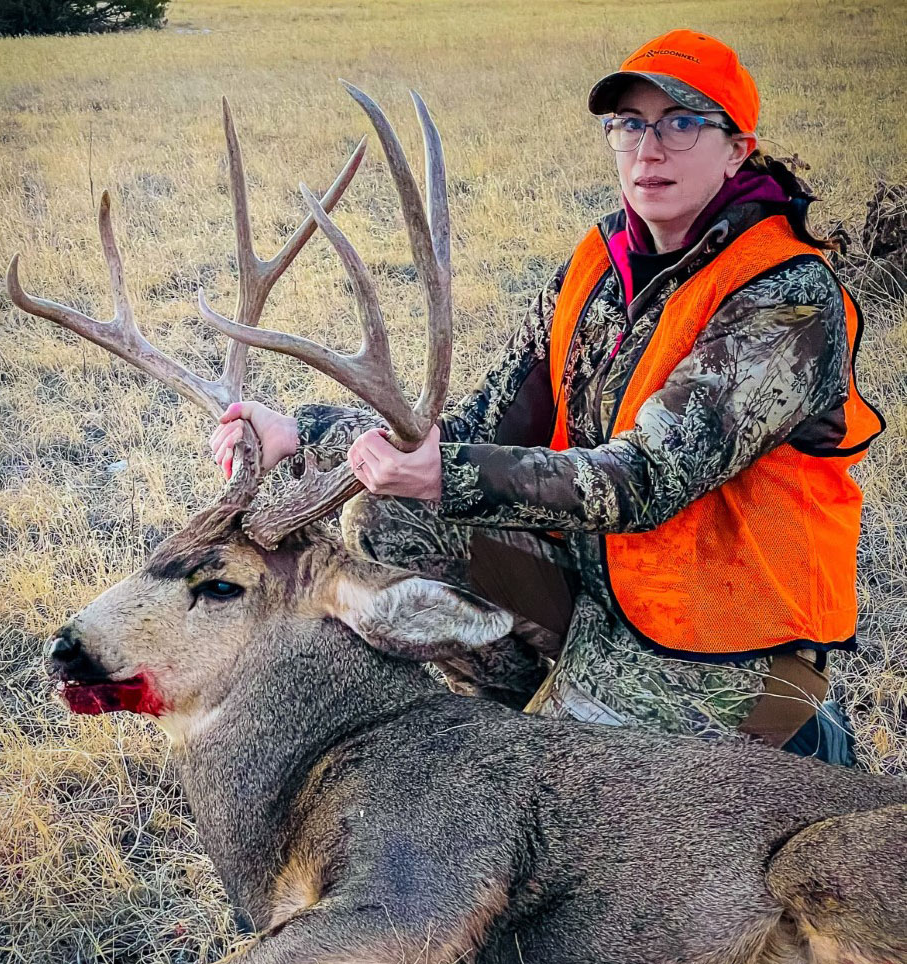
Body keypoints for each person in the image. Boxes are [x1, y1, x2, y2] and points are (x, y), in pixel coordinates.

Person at [208, 30, 884, 766]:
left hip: (720, 642)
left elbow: (642, 480)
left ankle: (790, 737)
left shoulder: (784, 297)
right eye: (627, 125)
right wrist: (299, 431)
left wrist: (447, 472)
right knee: (393, 516)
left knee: (538, 788)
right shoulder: (594, 269)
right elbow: (468, 431)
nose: (647, 151)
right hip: (601, 594)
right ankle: (547, 708)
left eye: (680, 124)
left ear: (736, 148)